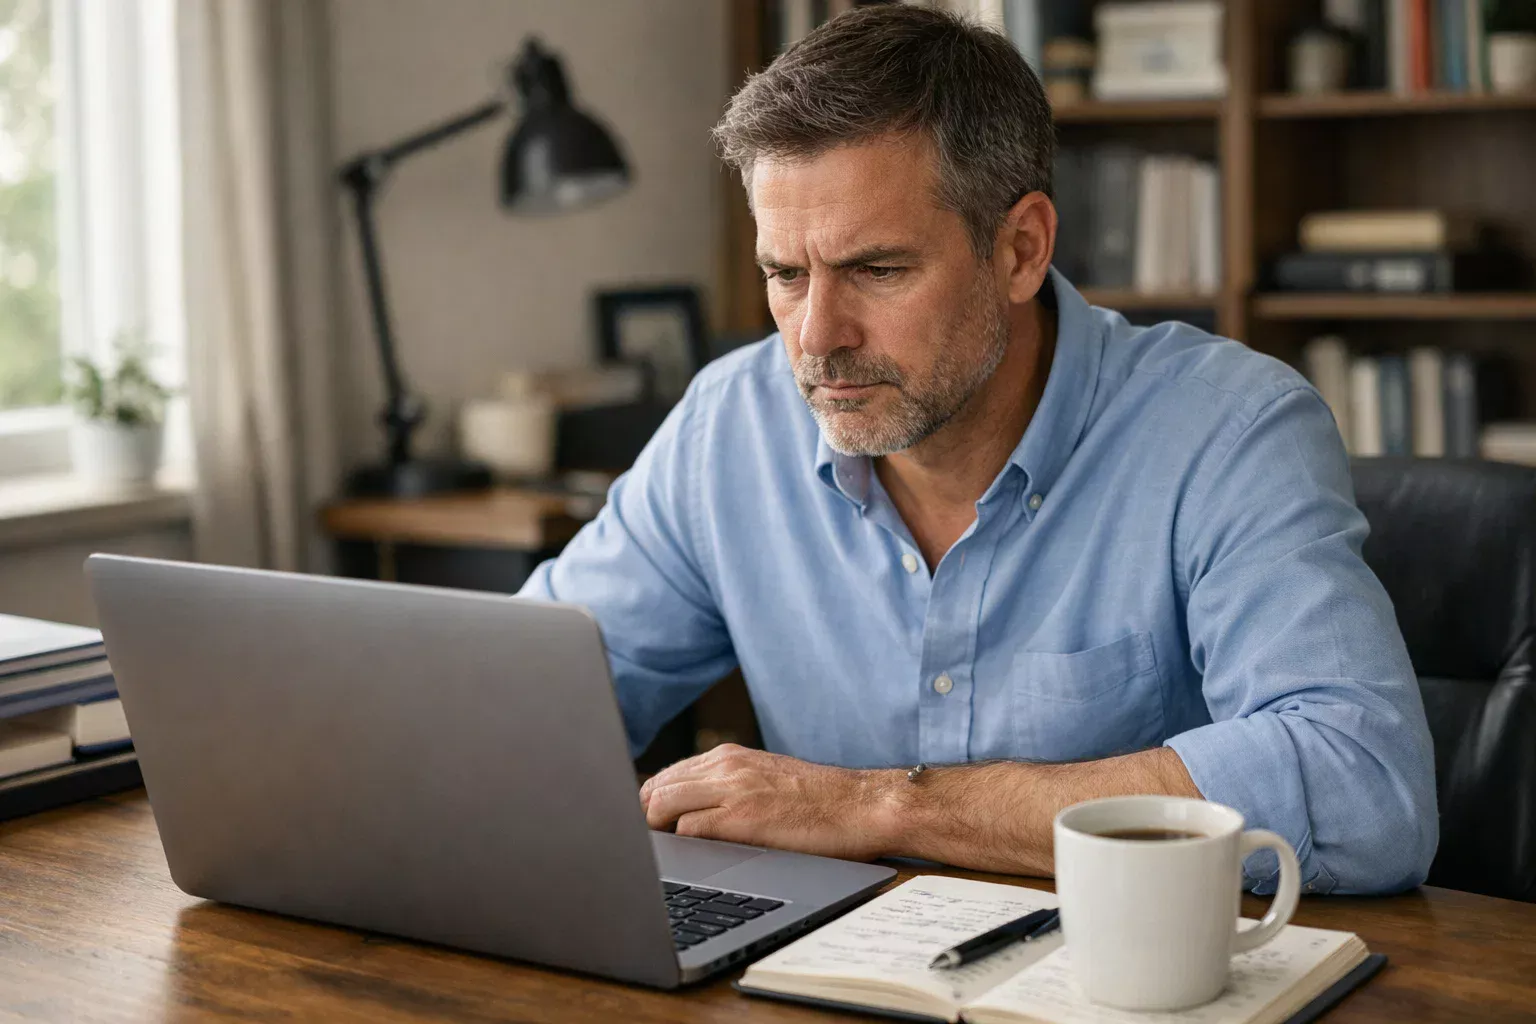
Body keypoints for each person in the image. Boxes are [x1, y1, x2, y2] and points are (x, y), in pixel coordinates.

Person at [519, 4, 1437, 895]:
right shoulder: (730, 425)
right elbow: (525, 698)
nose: (816, 337)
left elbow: (1365, 785)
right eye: (784, 274)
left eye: (877, 270)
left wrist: (884, 807)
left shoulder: (1228, 431)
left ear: (1020, 250)